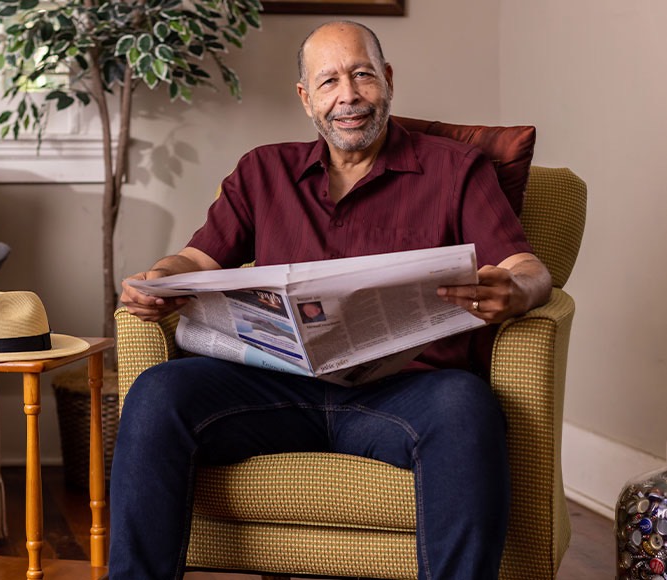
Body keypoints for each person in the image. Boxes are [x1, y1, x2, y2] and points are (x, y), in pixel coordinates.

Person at [110, 20, 552, 580]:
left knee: (466, 407)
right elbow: (196, 261)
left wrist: (515, 291)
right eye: (329, 82)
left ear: (388, 81)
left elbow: (527, 267)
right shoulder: (262, 172)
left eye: (362, 75)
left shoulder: (456, 169)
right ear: (305, 98)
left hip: (405, 393)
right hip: (276, 386)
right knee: (157, 393)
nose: (348, 96)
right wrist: (157, 281)